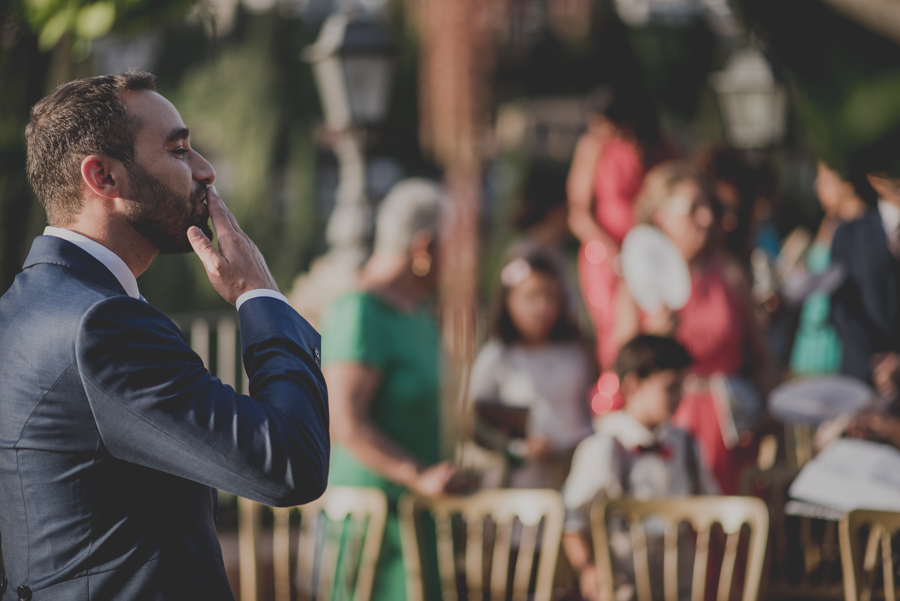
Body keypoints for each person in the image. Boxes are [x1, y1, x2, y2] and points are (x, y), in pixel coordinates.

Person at [0, 71, 329, 599]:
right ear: (103, 177)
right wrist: (259, 297)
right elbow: (290, 463)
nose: (205, 170)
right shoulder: (103, 325)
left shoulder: (21, 308)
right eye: (178, 152)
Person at [321, 179, 466, 601]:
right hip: (377, 518)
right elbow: (344, 421)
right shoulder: (359, 310)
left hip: (421, 510)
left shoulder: (419, 311)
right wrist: (417, 475)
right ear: (424, 248)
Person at [614, 161, 775, 494]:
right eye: (693, 209)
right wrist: (654, 340)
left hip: (731, 421)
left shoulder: (729, 275)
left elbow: (760, 357)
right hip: (669, 419)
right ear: (660, 216)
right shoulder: (637, 283)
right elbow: (620, 363)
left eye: (709, 208)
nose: (706, 218)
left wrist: (766, 412)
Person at [561, 335, 718, 601]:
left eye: (683, 387)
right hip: (624, 577)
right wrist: (589, 570)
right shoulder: (604, 447)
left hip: (682, 577)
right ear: (634, 385)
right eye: (671, 387)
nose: (680, 397)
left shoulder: (687, 445)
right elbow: (572, 520)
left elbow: (714, 512)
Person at [469, 249, 593, 489]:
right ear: (508, 300)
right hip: (522, 479)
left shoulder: (576, 352)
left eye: (550, 297)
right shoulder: (498, 355)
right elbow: (476, 420)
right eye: (530, 297)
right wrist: (521, 446)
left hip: (575, 470)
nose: (541, 307)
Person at [567, 85, 669, 370]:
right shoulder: (594, 147)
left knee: (652, 323)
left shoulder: (660, 148)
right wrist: (614, 253)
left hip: (650, 254)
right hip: (605, 254)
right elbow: (578, 214)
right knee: (612, 327)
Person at [831, 128, 900, 402]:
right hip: (864, 384)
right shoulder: (849, 234)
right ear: (874, 179)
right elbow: (842, 310)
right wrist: (881, 367)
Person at [788, 162, 866, 376]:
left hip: (838, 348)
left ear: (848, 184)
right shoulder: (830, 221)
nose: (816, 186)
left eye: (825, 180)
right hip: (810, 342)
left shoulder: (866, 229)